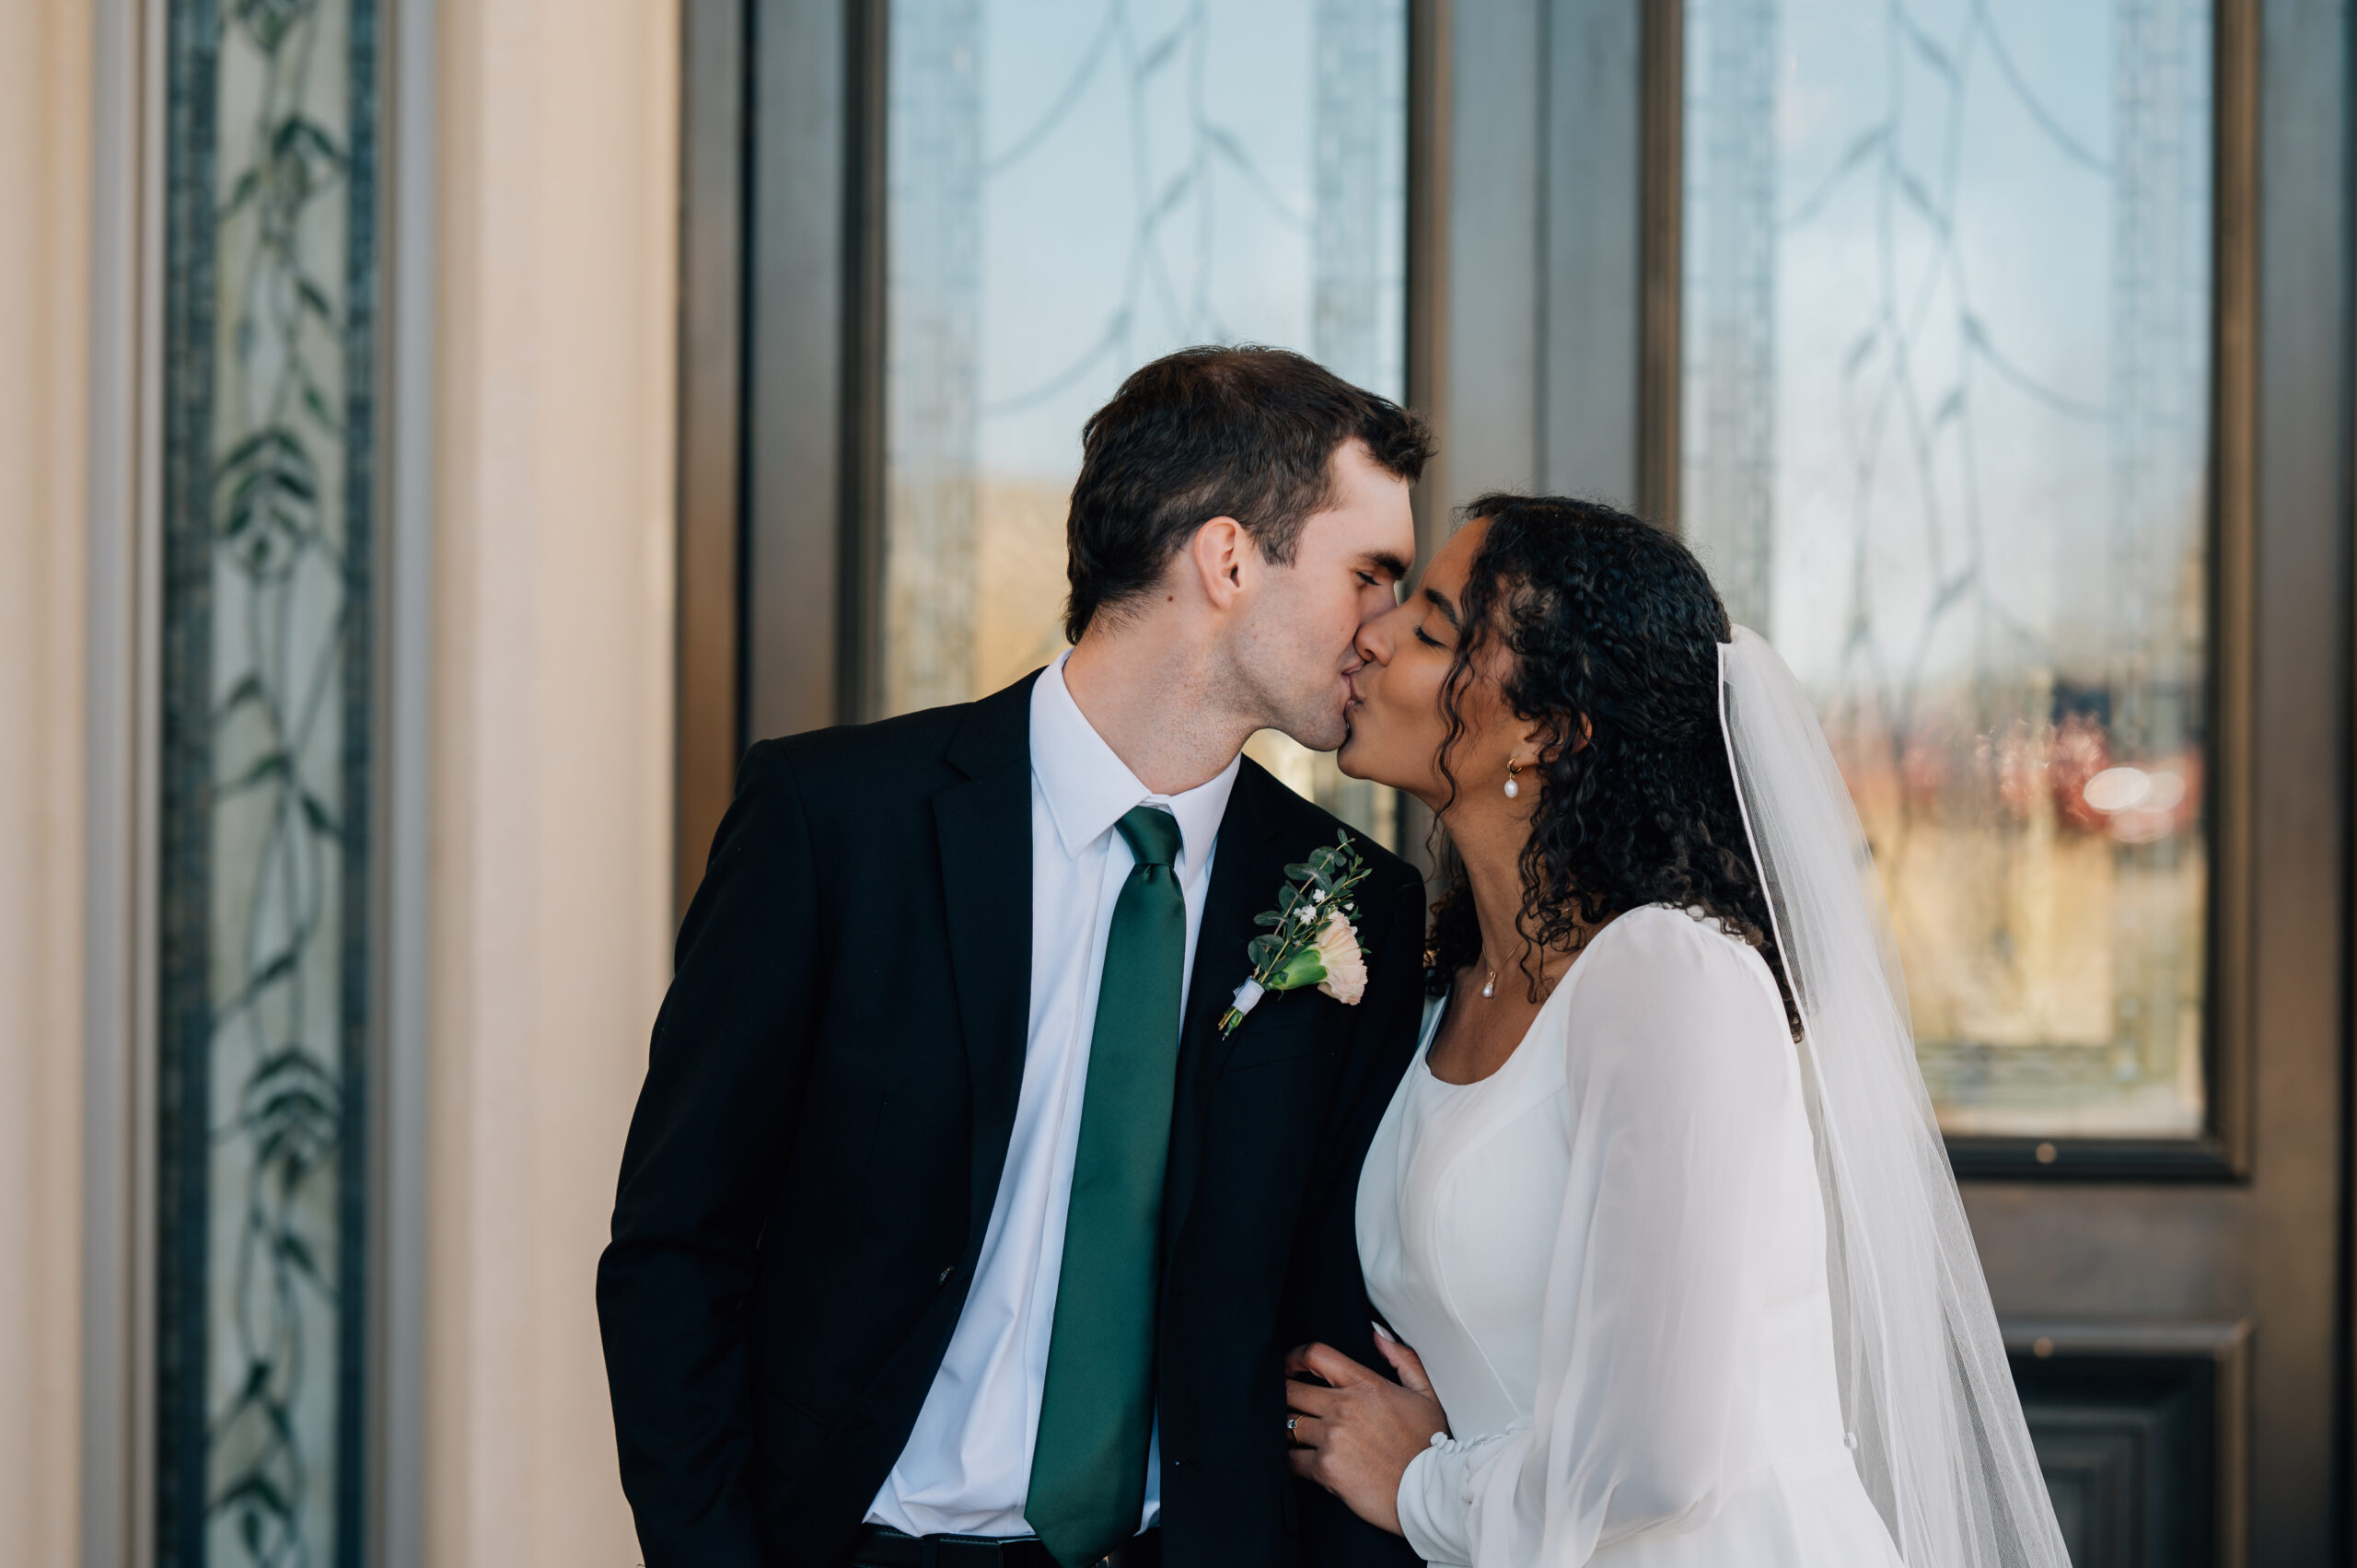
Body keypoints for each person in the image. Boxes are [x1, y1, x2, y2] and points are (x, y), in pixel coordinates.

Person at [598, 346, 1436, 1568]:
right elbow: (679, 1243)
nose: (1391, 626)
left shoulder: (1357, 899)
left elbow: (1322, 1328)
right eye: (1372, 572)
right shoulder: (835, 825)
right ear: (1229, 557)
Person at [1283, 495, 2070, 1568]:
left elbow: (1657, 1455)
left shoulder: (1670, 976)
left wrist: (1424, 1479)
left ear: (1547, 727)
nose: (1368, 633)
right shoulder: (1439, 987)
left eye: (1428, 628)